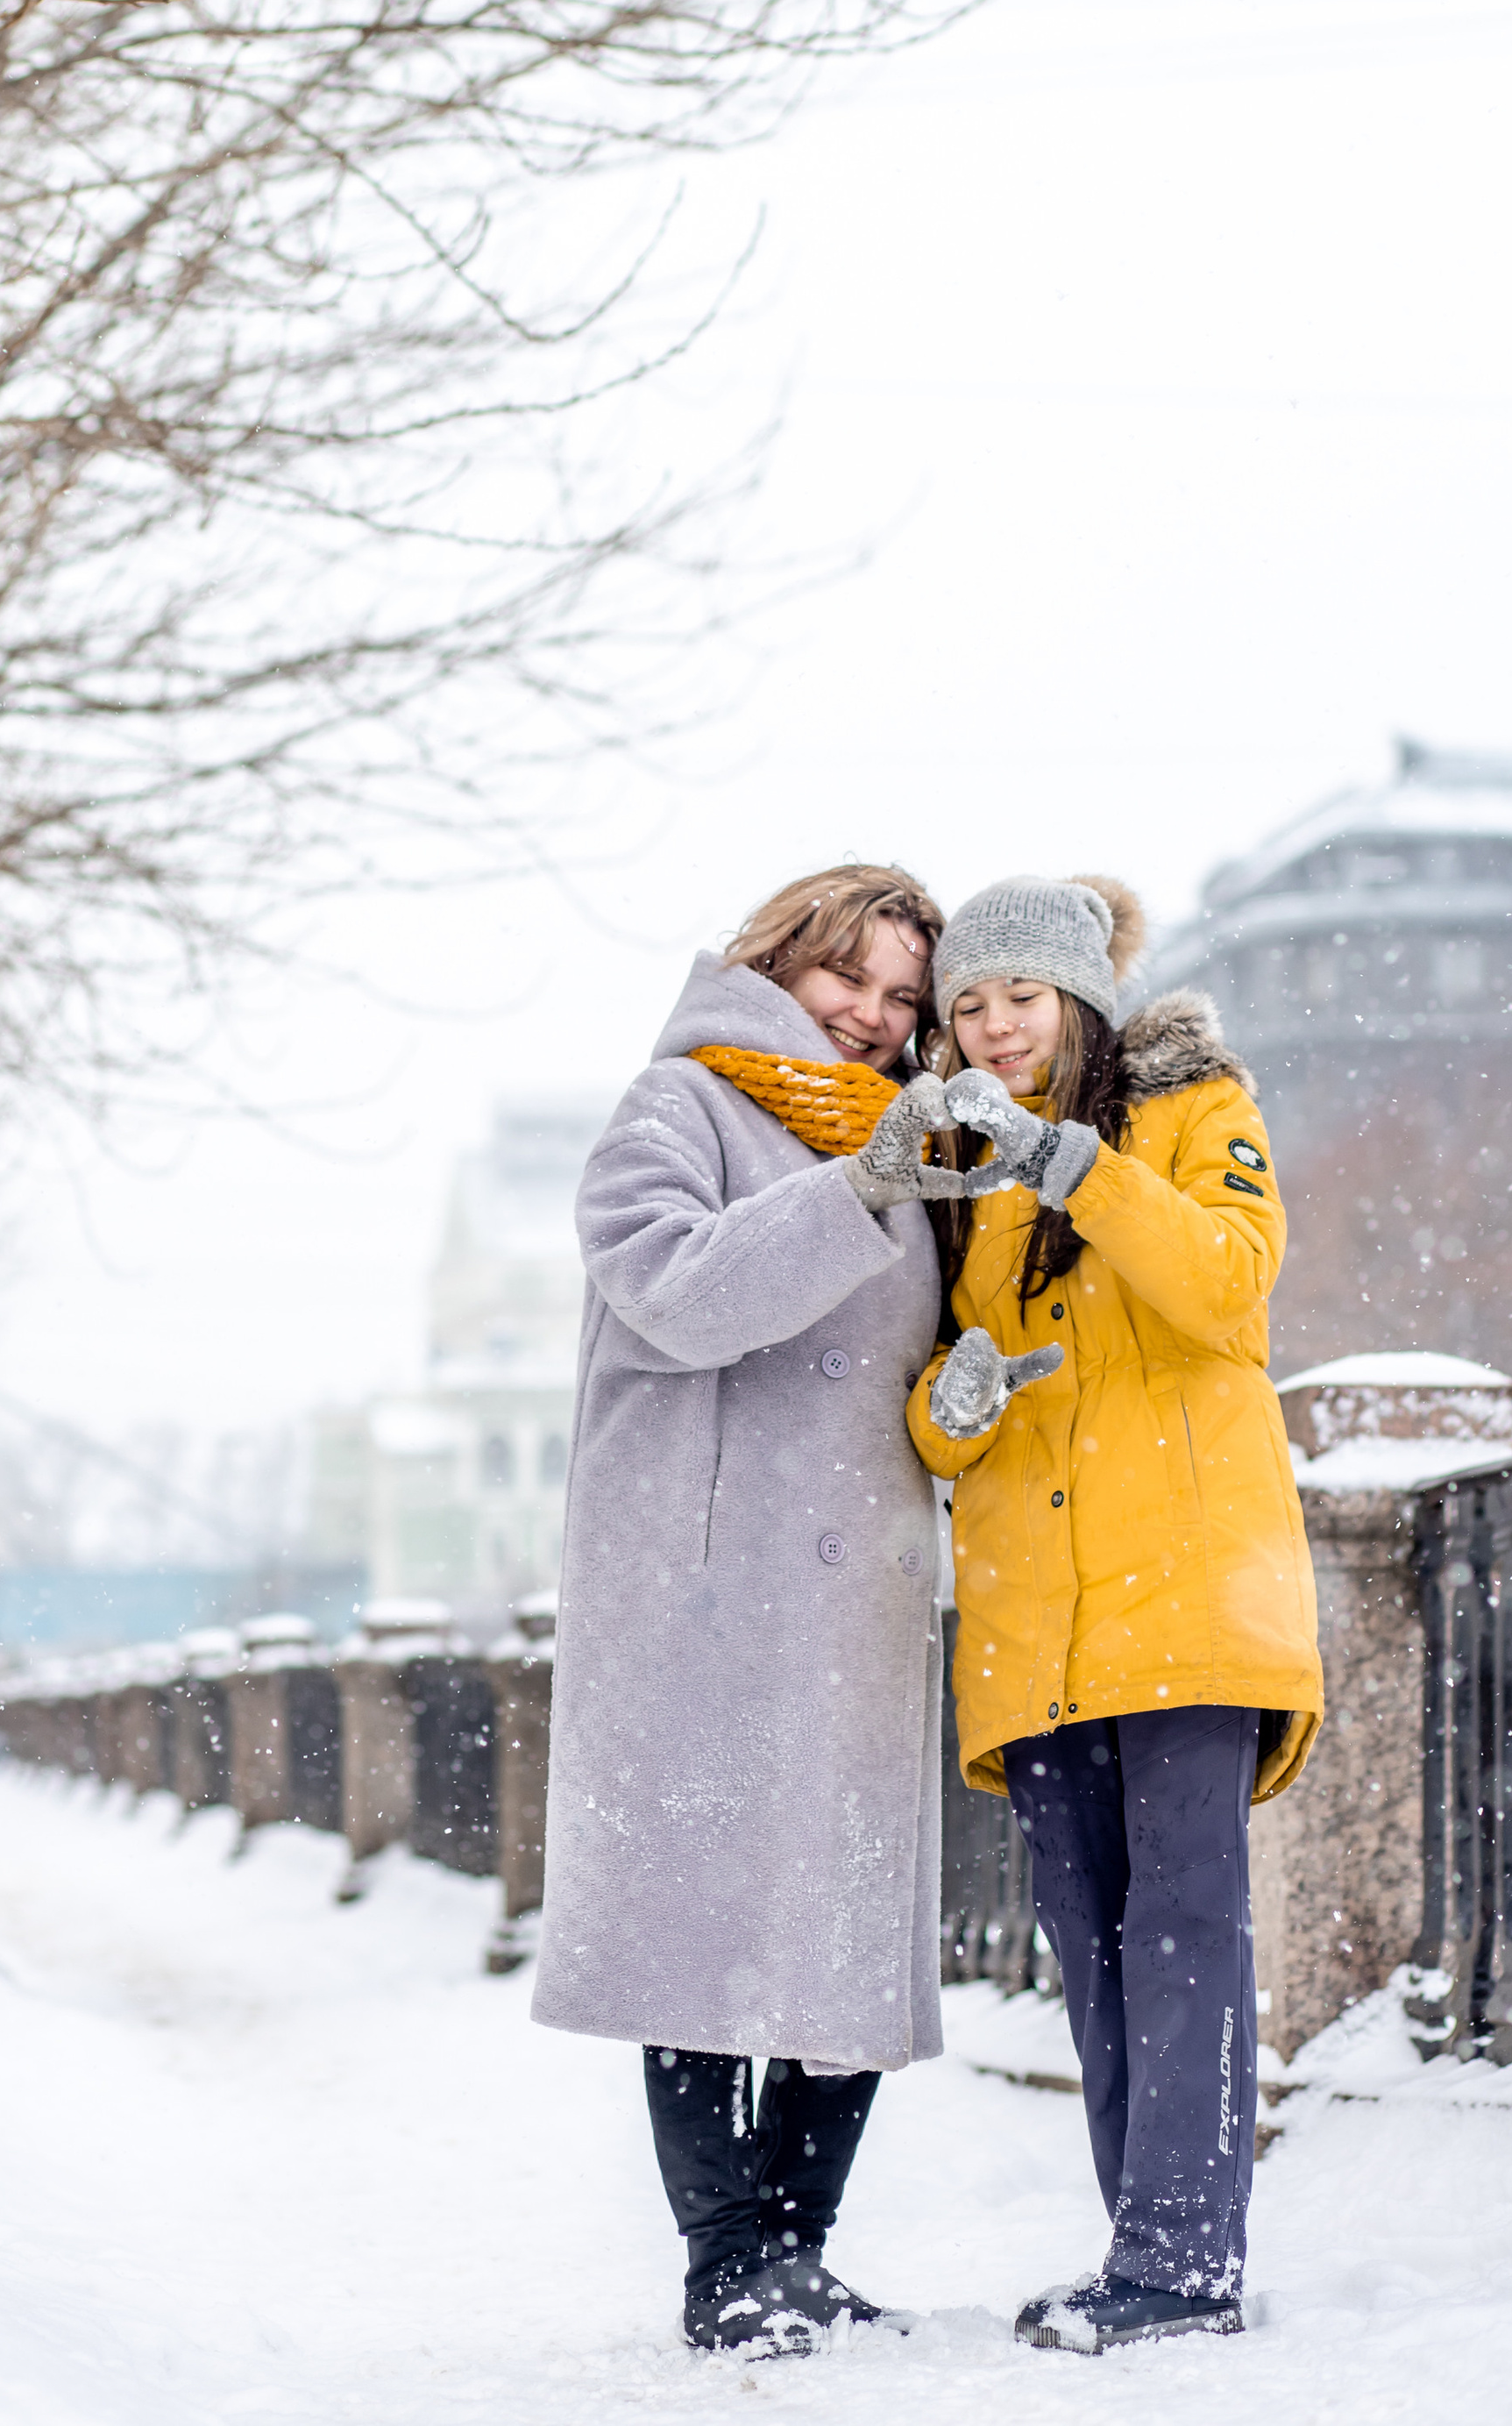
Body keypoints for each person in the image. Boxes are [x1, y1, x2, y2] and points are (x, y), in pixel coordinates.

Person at [532, 864, 1033, 2357]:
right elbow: (678, 1292)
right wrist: (864, 1182)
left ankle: (800, 2250)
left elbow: (902, 1362)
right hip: (702, 1587)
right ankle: (724, 2260)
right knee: (698, 1920)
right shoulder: (676, 1105)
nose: (876, 1020)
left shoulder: (909, 1144)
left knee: (843, 1919)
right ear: (781, 960)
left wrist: (961, 1395)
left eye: (901, 998)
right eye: (851, 983)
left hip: (856, 1595)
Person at [905, 874, 1324, 2358]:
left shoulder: (1199, 1114)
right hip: (1039, 1626)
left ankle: (1186, 2260)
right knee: (1091, 1943)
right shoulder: (966, 1176)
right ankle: (1142, 2250)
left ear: (1079, 999)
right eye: (966, 1003)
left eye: (1020, 995)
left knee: (1186, 1930)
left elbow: (1230, 1289)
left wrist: (1074, 1163)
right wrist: (947, 1409)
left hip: (1191, 1597)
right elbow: (955, 1403)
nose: (994, 1024)